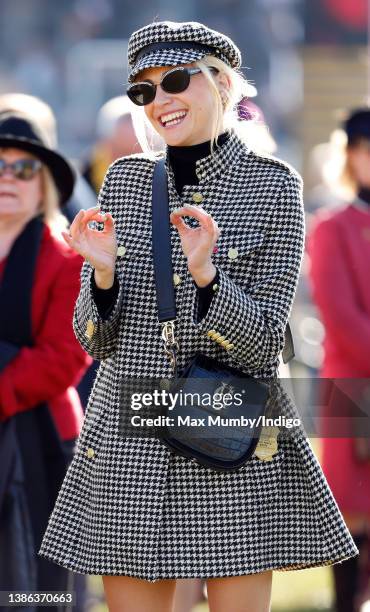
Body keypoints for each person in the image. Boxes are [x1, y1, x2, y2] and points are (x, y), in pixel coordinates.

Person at [39, 21, 358, 612]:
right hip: (129, 437)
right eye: (145, 91)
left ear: (223, 84)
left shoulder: (273, 185)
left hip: (227, 429)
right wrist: (103, 275)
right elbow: (92, 337)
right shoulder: (128, 181)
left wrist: (209, 275)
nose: (161, 101)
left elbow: (265, 345)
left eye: (176, 80)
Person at [0, 111, 92, 609]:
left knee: (39, 586)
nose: (8, 178)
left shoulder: (67, 260)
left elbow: (64, 356)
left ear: (45, 187)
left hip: (43, 440)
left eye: (23, 168)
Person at [308, 108, 370, 612]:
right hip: (352, 383)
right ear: (349, 155)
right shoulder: (332, 227)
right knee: (351, 514)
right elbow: (343, 318)